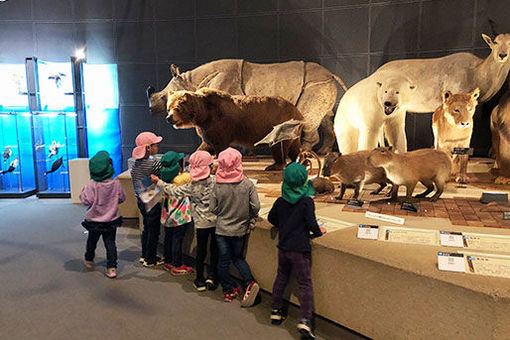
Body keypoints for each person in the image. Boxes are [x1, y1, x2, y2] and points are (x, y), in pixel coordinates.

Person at [267, 162, 325, 339]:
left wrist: (283, 226)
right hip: (299, 249)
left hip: (283, 247)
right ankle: (305, 320)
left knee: (281, 277)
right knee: (305, 283)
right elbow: (311, 223)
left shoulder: (280, 200)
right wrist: (317, 232)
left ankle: (276, 310)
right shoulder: (307, 201)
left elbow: (271, 218)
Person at [152, 150, 218, 292]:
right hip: (215, 222)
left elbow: (173, 190)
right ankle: (212, 277)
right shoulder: (216, 182)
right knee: (214, 250)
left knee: (201, 252)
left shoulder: (191, 185)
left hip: (201, 223)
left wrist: (159, 182)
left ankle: (199, 280)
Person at [210, 147, 260, 306]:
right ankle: (250, 282)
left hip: (222, 230)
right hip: (240, 230)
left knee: (223, 261)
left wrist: (223, 212)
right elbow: (256, 206)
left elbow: (213, 208)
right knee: (238, 257)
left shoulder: (217, 185)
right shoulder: (247, 184)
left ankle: (228, 290)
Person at [80, 151, 126, 279]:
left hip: (94, 220)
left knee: (92, 241)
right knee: (110, 243)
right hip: (111, 220)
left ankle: (89, 260)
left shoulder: (92, 185)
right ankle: (112, 268)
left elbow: (86, 201)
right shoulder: (116, 183)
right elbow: (122, 198)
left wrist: (83, 192)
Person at [131, 131, 164, 267]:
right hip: (151, 200)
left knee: (146, 228)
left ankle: (144, 255)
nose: (157, 147)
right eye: (155, 145)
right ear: (148, 148)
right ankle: (151, 259)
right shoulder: (154, 164)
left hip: (140, 200)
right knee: (154, 230)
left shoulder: (136, 164)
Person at [159, 151, 193, 275]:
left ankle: (167, 261)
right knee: (177, 240)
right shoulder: (182, 179)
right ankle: (177, 265)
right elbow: (194, 175)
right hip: (179, 217)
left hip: (167, 216)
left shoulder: (163, 180)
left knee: (168, 237)